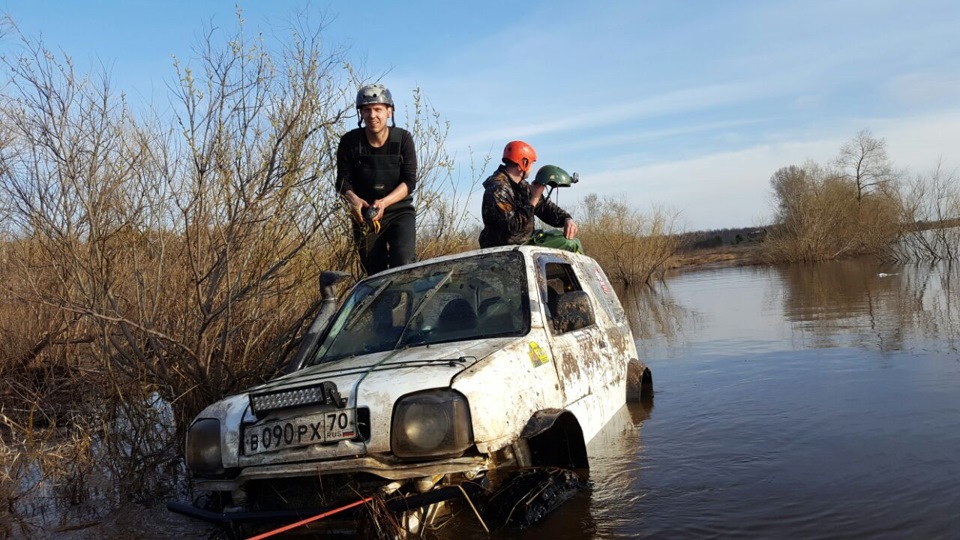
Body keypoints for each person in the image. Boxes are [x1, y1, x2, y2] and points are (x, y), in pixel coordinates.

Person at [336, 83, 418, 275]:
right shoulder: (349, 142)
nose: (372, 115)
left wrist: (384, 202)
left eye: (378, 110)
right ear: (361, 114)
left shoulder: (403, 139)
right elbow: (342, 181)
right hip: (365, 215)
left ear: (389, 112)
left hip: (399, 211)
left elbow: (409, 181)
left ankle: (404, 304)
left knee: (404, 262)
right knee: (373, 271)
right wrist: (354, 200)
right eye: (367, 110)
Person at [478, 140, 579, 249]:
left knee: (573, 241)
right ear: (524, 163)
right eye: (531, 163)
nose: (532, 168)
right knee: (569, 244)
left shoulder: (522, 187)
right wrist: (534, 198)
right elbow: (513, 227)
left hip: (524, 243)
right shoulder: (498, 189)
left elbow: (544, 208)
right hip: (506, 249)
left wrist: (566, 219)